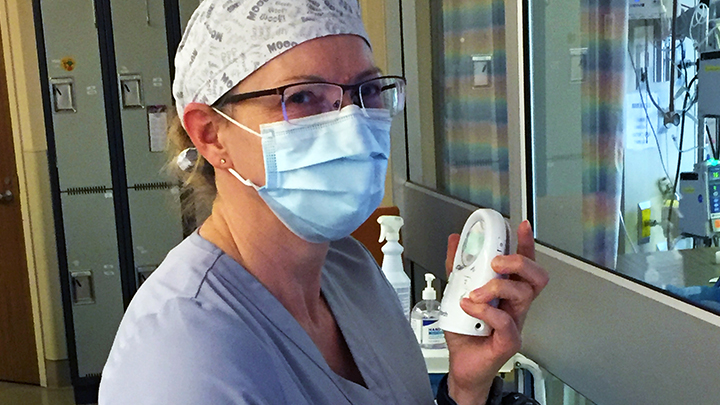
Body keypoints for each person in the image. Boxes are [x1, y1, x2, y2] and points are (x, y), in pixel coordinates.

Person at [98, 1, 549, 404]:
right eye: (303, 97)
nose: (352, 126)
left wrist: (466, 387)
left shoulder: (350, 270)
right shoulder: (180, 354)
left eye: (366, 92)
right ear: (210, 134)